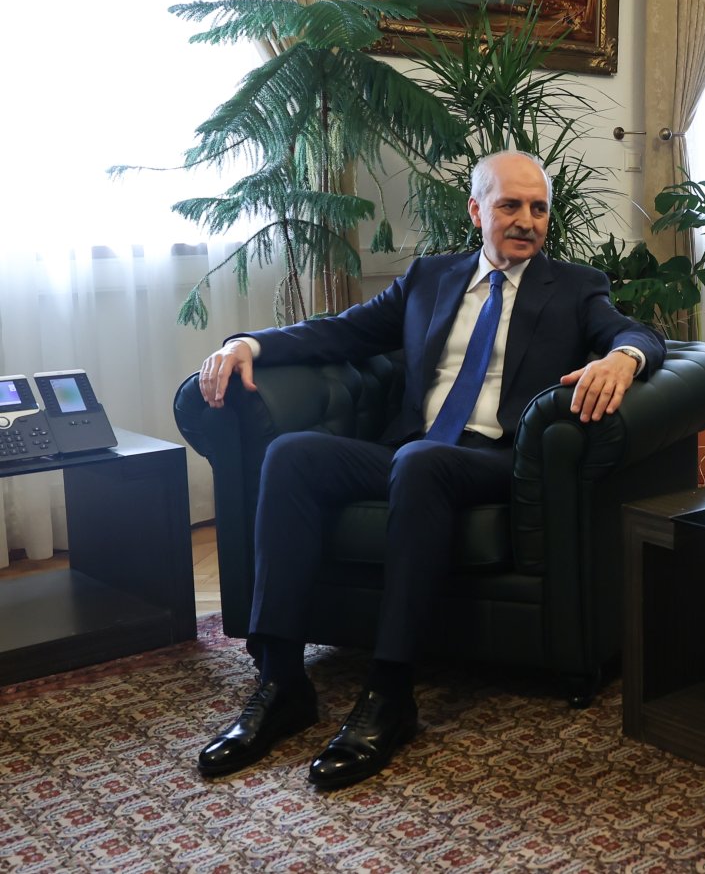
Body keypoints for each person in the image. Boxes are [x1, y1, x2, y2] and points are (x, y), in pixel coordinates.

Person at [193, 150, 665, 789]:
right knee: (293, 454)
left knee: (419, 463)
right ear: (476, 210)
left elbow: (635, 333)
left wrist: (625, 359)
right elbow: (343, 332)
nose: (526, 220)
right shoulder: (428, 277)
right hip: (410, 450)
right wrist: (249, 342)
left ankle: (389, 692)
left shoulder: (575, 287)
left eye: (538, 207)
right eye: (509, 205)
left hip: (494, 459)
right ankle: (281, 681)